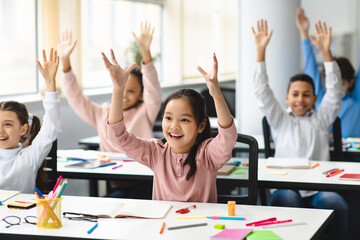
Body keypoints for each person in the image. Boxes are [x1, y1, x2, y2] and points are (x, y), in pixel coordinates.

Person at [252, 19, 348, 240]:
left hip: (319, 188)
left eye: (306, 95)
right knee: (286, 201)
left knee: (335, 203)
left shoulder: (322, 118)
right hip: (287, 188)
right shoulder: (279, 119)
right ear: (287, 97)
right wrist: (260, 52)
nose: (300, 100)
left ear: (315, 98)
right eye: (295, 94)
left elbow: (334, 93)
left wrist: (326, 54)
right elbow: (262, 91)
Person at [104, 50, 237, 202]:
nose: (174, 126)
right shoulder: (156, 153)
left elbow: (228, 136)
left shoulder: (208, 155)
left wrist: (216, 94)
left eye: (184, 120)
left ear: (201, 126)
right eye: (168, 118)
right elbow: (117, 137)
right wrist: (118, 90)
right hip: (164, 223)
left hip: (201, 223)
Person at [58, 22, 161, 198]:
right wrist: (66, 63)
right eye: (122, 88)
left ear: (141, 95)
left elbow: (153, 91)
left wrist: (146, 53)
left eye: (132, 91)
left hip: (148, 181)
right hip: (118, 181)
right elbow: (76, 98)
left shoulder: (145, 111)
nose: (124, 95)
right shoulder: (102, 113)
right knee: (114, 203)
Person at [0, 48, 61, 193]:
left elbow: (51, 128)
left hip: (22, 215)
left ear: (23, 129)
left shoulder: (29, 156)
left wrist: (50, 83)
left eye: (7, 124)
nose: (1, 131)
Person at [296, 8, 360, 139]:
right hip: (327, 156)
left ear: (351, 82)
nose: (336, 88)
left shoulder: (356, 99)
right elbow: (311, 71)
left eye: (341, 83)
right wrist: (304, 34)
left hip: (353, 157)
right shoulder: (322, 99)